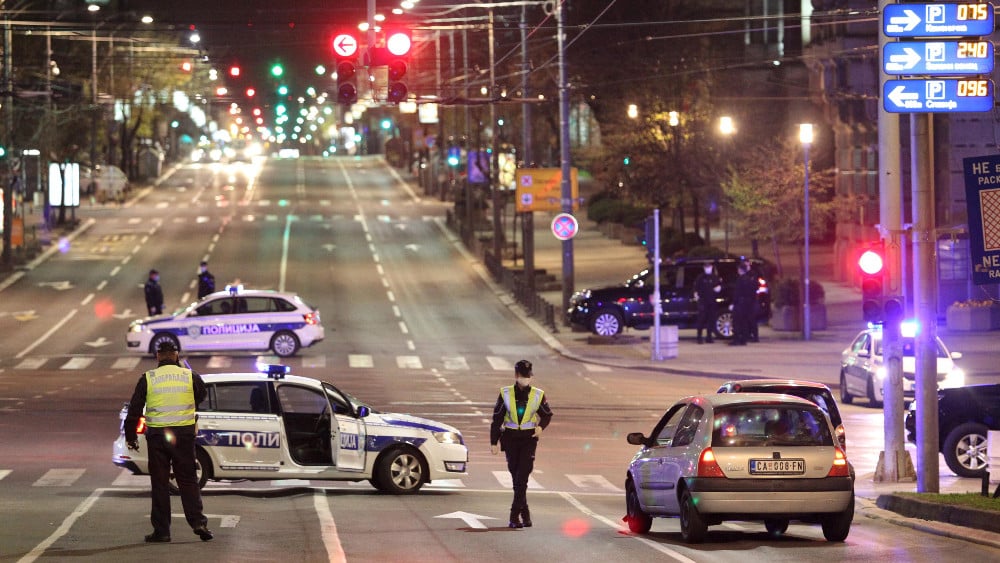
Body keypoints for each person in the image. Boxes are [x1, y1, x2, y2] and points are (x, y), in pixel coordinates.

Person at [124, 340, 213, 543]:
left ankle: (162, 531)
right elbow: (201, 396)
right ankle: (198, 522)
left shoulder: (148, 378)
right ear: (176, 355)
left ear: (157, 356)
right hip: (183, 436)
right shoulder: (189, 376)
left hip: (158, 438)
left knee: (160, 484)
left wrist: (131, 437)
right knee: (188, 480)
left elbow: (134, 410)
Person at [490, 360, 553, 529]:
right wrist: (493, 441)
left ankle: (513, 516)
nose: (526, 379)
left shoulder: (538, 394)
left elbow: (547, 415)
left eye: (528, 376)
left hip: (528, 440)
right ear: (516, 376)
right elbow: (497, 418)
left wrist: (541, 427)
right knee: (516, 477)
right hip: (510, 440)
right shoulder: (505, 393)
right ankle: (525, 514)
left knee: (522, 476)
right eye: (523, 376)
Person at [692, 262, 722, 344]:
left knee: (711, 319)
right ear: (704, 268)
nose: (707, 268)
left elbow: (719, 287)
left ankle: (709, 336)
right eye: (706, 267)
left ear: (711, 267)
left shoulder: (715, 277)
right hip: (703, 301)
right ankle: (699, 337)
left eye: (709, 267)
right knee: (701, 319)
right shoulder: (700, 277)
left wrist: (719, 288)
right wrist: (696, 295)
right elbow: (695, 288)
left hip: (712, 301)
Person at [729, 262, 757, 346]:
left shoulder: (740, 280)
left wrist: (733, 303)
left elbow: (737, 293)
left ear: (740, 270)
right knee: (744, 322)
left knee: (737, 322)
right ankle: (743, 340)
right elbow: (753, 292)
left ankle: (736, 339)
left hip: (740, 303)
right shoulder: (749, 279)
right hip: (747, 303)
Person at [742, 259, 761, 343]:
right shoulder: (743, 274)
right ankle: (747, 335)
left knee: (752, 319)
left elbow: (756, 286)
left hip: (752, 299)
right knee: (745, 319)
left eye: (747, 264)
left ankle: (755, 336)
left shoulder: (753, 274)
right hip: (745, 299)